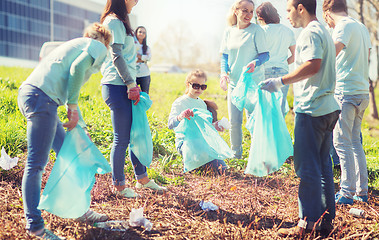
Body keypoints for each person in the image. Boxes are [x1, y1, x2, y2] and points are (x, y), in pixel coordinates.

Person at [17, 23, 112, 239]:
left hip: (33, 96)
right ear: (104, 41)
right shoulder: (96, 46)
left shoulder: (75, 44)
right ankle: (35, 227)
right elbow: (77, 70)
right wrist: (73, 106)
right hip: (42, 100)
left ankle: (78, 210)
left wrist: (80, 124)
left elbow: (66, 87)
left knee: (70, 156)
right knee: (35, 165)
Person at [260, 0, 340, 236]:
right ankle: (324, 220)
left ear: (301, 8)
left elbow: (313, 65)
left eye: (288, 10)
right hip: (327, 108)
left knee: (307, 168)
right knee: (323, 165)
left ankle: (306, 224)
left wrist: (280, 81)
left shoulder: (310, 33)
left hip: (312, 109)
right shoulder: (324, 31)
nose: (287, 16)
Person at [100, 0, 166, 199]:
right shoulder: (113, 22)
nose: (137, 1)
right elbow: (116, 56)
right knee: (121, 138)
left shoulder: (120, 21)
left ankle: (142, 179)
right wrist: (130, 83)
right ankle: (119, 186)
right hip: (117, 85)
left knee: (135, 133)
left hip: (125, 84)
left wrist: (132, 83)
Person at [323, 0, 372, 204]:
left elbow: (329, 56)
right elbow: (367, 55)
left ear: (327, 13)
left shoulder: (342, 26)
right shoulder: (361, 26)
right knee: (354, 142)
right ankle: (361, 192)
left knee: (341, 142)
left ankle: (346, 192)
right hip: (362, 92)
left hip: (346, 92)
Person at [219, 0, 269, 159]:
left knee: (253, 123)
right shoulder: (229, 31)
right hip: (234, 84)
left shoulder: (257, 31)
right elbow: (225, 56)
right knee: (234, 122)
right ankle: (236, 155)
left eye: (251, 11)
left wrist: (255, 62)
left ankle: (256, 156)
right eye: (245, 10)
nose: (248, 14)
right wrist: (223, 73)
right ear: (236, 11)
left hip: (253, 84)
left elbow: (265, 54)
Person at [168, 69, 228, 174]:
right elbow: (170, 124)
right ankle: (195, 163)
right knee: (210, 168)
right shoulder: (180, 103)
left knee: (222, 169)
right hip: (185, 143)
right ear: (188, 84)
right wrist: (181, 116)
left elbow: (204, 127)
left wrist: (215, 126)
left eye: (203, 86)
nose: (199, 89)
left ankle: (200, 163)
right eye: (196, 85)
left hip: (202, 142)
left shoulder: (202, 104)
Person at [256, 2, 296, 117]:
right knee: (279, 108)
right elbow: (295, 56)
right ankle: (278, 134)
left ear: (260, 17)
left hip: (264, 70)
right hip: (283, 73)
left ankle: (264, 134)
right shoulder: (288, 31)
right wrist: (283, 63)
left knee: (264, 108)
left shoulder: (260, 31)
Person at [135, 26, 152, 94]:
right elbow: (131, 57)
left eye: (144, 33)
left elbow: (149, 58)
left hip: (145, 74)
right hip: (133, 74)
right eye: (140, 32)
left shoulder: (147, 48)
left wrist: (139, 56)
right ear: (136, 33)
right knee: (132, 95)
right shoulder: (132, 46)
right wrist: (143, 58)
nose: (141, 34)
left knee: (145, 95)